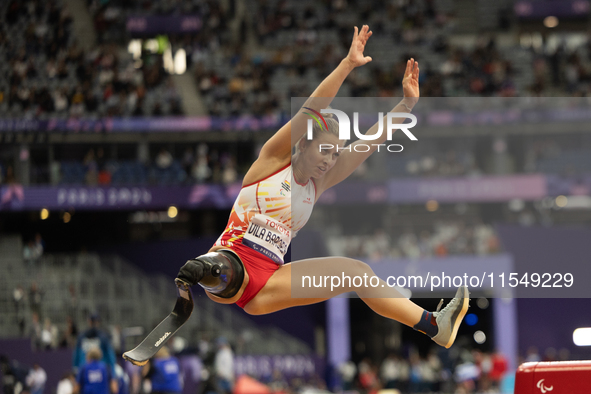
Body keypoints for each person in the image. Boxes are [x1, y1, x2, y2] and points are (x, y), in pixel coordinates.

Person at [176, 25, 468, 349]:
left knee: (356, 272)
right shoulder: (271, 161)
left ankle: (433, 325)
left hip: (271, 281)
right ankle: (205, 268)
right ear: (303, 144)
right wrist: (347, 65)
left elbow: (369, 142)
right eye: (325, 150)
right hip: (231, 264)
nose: (331, 160)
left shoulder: (320, 182)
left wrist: (406, 106)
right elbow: (311, 109)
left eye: (336, 153)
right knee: (222, 269)